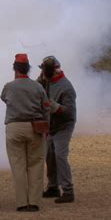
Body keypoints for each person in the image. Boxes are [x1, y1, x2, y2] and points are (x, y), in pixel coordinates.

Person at [1, 53, 49, 212]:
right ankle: (34, 202)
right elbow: (45, 107)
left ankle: (21, 203)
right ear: (28, 68)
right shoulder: (38, 87)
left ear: (15, 68)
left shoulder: (8, 86)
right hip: (34, 127)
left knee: (18, 166)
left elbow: (4, 98)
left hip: (14, 128)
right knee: (35, 165)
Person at [38, 56, 77, 203]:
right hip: (52, 125)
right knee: (49, 155)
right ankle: (53, 187)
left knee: (60, 155)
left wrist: (55, 107)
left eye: (45, 70)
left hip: (64, 125)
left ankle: (68, 191)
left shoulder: (66, 87)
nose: (43, 72)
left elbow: (69, 113)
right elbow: (36, 88)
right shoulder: (45, 80)